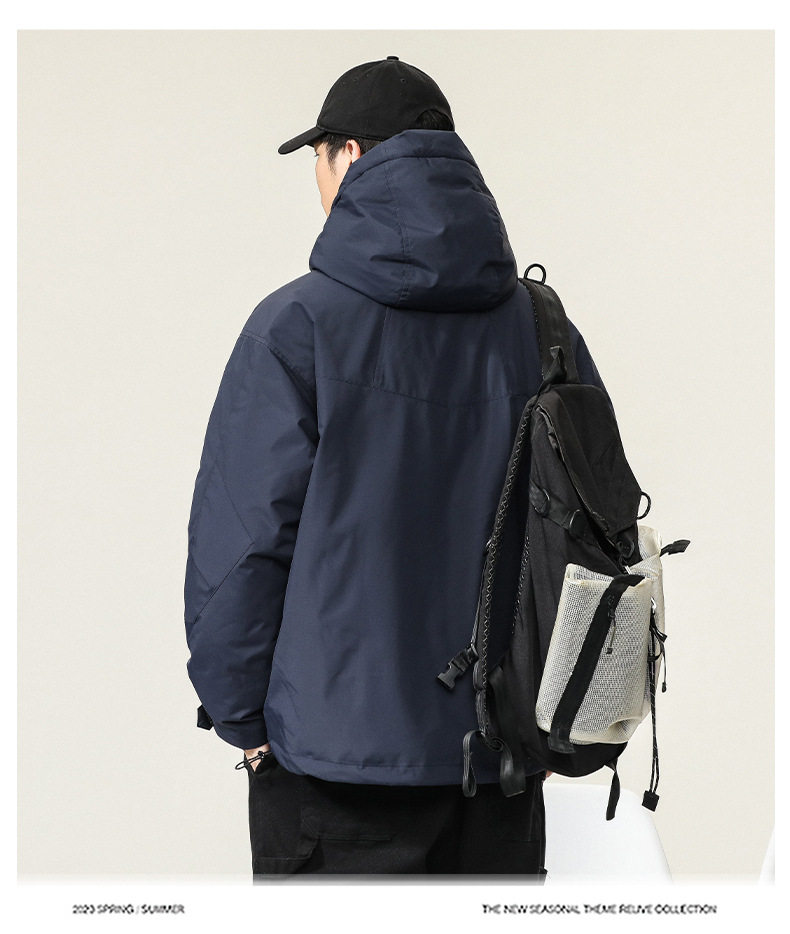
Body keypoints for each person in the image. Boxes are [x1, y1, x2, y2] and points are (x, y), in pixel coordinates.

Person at [183, 55, 609, 878]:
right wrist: (560, 711)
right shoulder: (542, 328)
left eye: (318, 159)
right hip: (501, 766)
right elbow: (591, 529)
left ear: (347, 155)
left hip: (333, 773)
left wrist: (242, 721)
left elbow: (241, 549)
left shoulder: (295, 326)